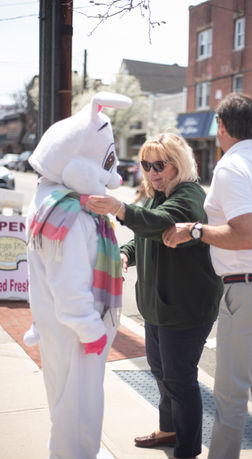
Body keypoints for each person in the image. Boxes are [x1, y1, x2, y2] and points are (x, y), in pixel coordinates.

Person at [163, 93, 252, 459]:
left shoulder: (229, 167)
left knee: (230, 392)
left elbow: (245, 234)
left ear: (221, 127)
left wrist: (195, 230)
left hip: (251, 288)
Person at [87, 132, 223, 459]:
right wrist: (124, 254)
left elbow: (159, 223)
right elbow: (144, 236)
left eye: (160, 165)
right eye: (147, 165)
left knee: (180, 381)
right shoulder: (154, 195)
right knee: (162, 374)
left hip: (185, 309)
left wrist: (120, 208)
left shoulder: (189, 195)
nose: (152, 172)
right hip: (157, 307)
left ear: (178, 164)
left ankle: (187, 451)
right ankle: (169, 430)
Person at [24, 92, 131, 459]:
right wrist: (92, 331)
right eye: (104, 164)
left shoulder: (50, 201)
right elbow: (69, 287)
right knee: (79, 412)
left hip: (60, 328)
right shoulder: (67, 217)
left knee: (66, 405)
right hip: (76, 334)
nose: (113, 178)